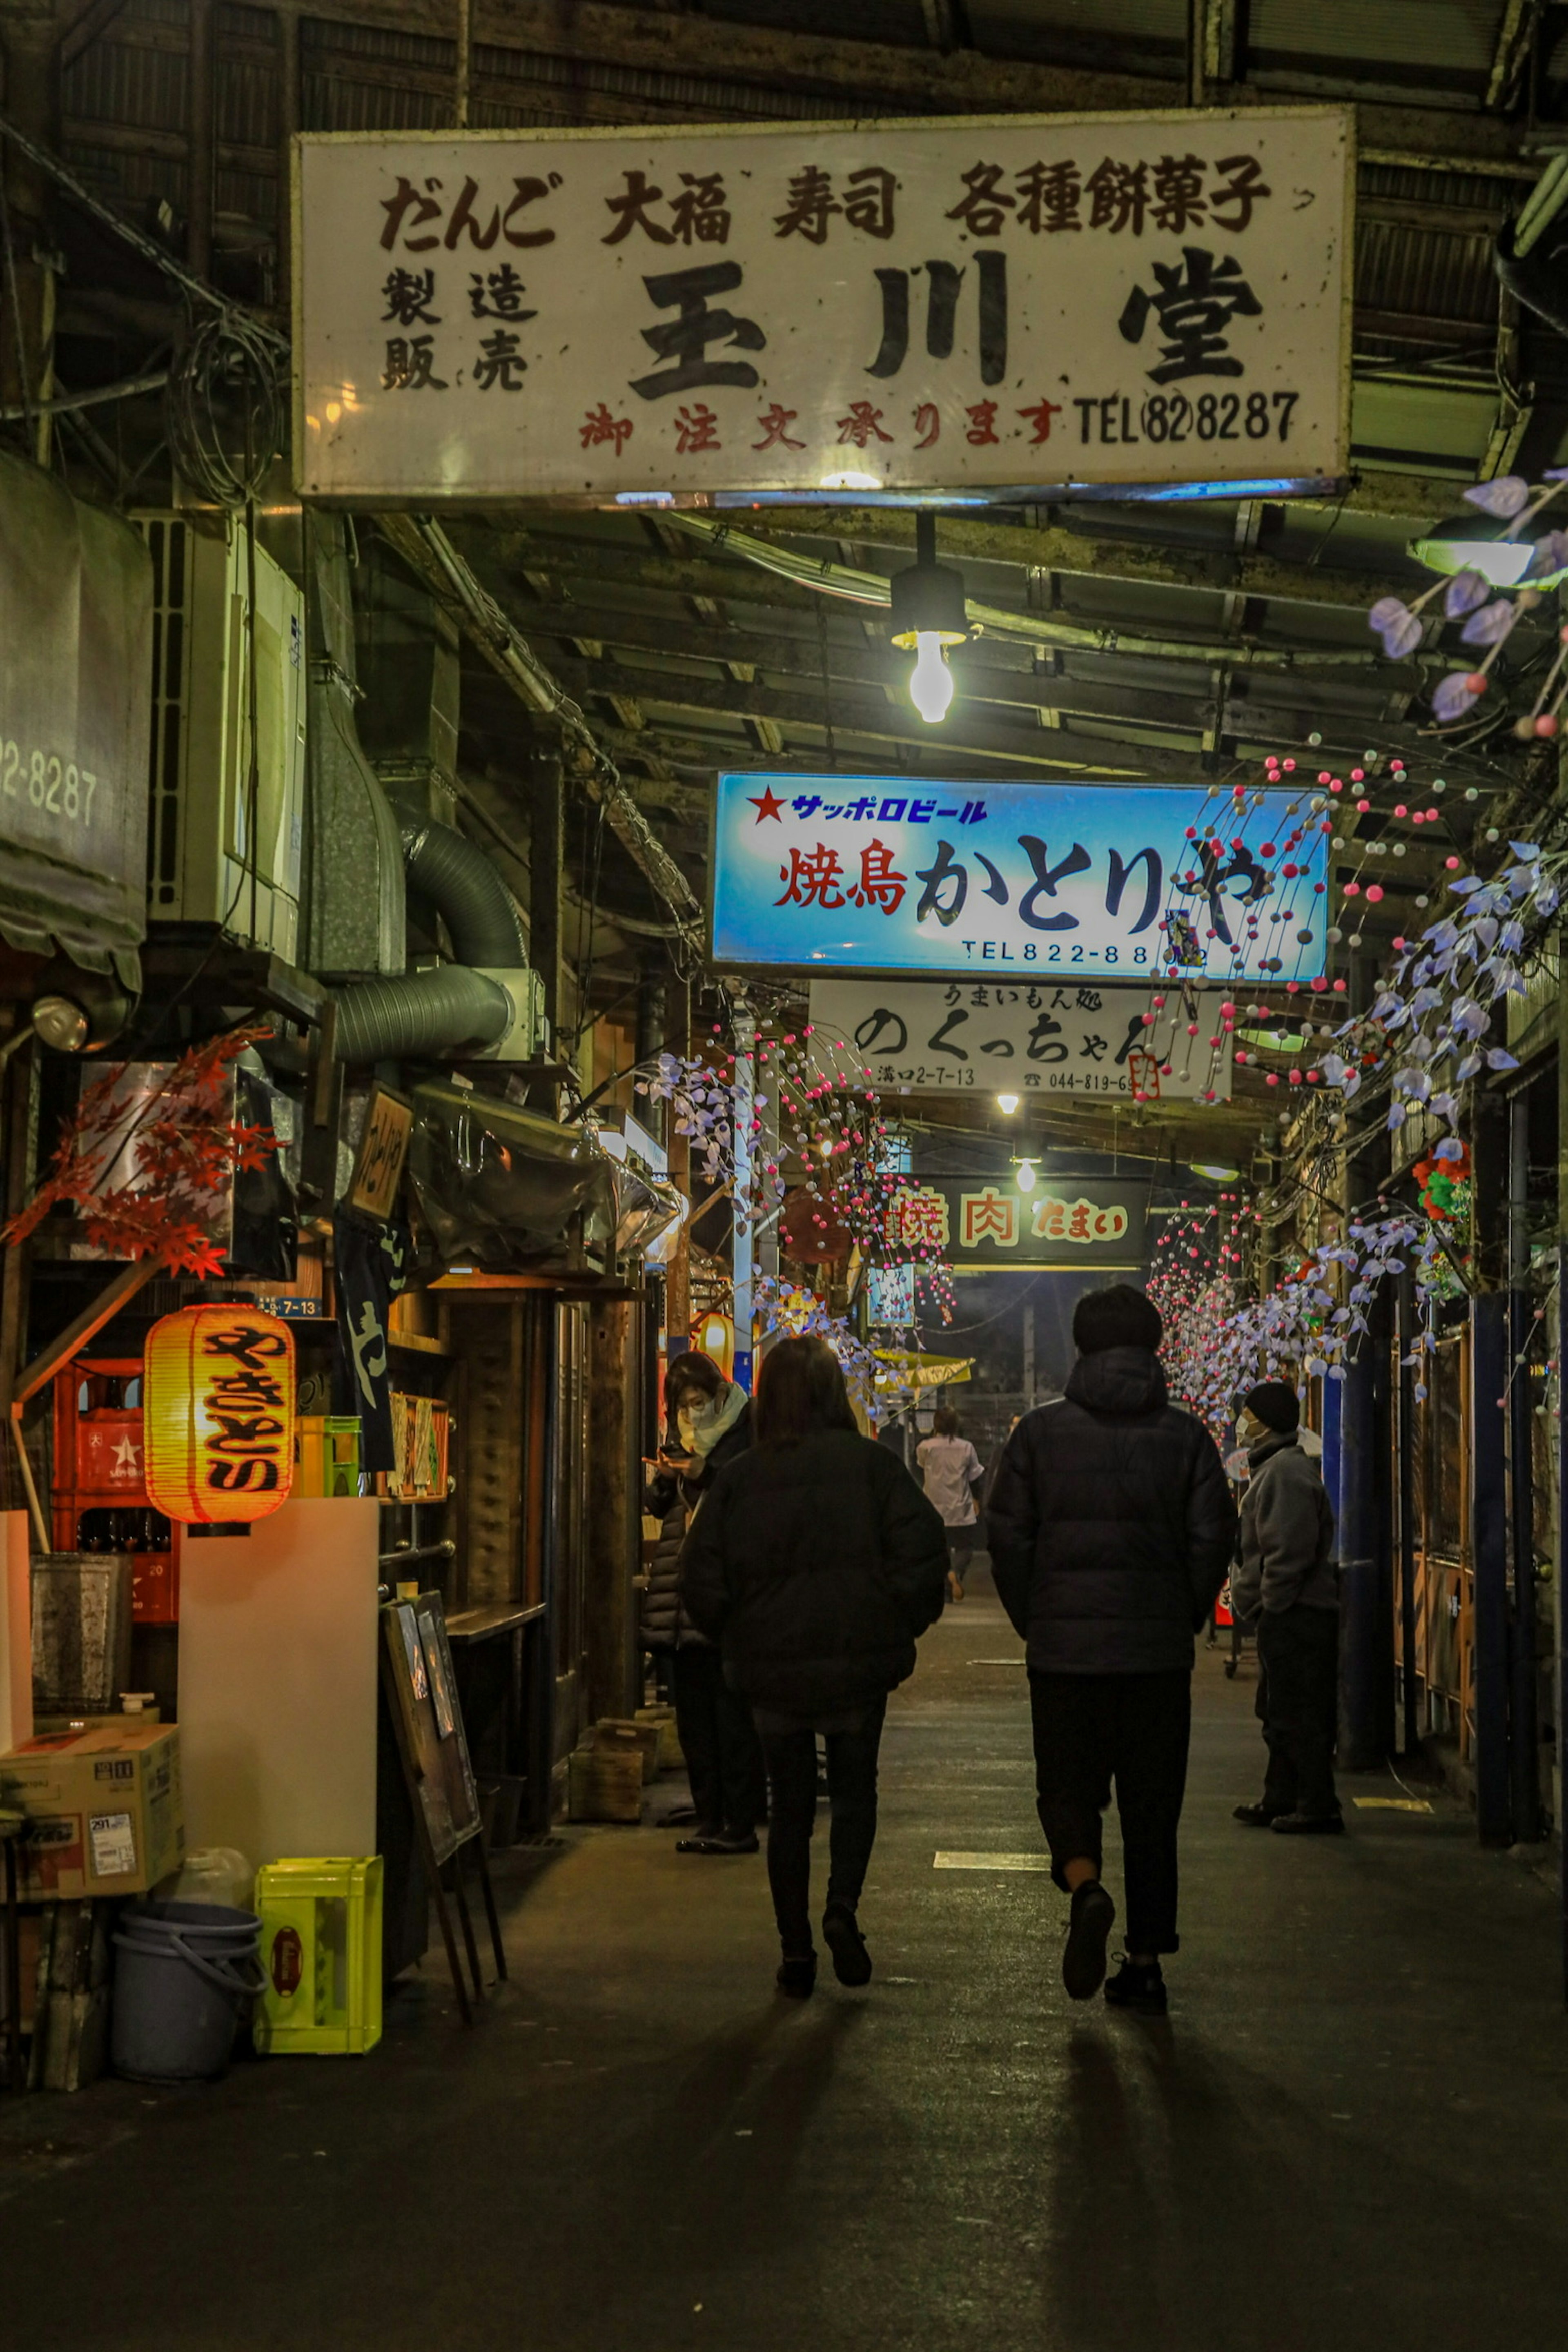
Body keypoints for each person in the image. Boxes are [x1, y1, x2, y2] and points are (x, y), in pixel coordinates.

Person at [987, 1283, 1236, 2017]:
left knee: (1067, 1789)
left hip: (1065, 1656)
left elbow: (1008, 1538)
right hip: (1157, 1658)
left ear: (1082, 1347)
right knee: (1153, 1811)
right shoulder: (1188, 1437)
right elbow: (1212, 1537)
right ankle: (1147, 1963)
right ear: (1155, 1347)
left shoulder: (1037, 1434)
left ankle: (1087, 1887)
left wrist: (1038, 1617)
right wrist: (1182, 1615)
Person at [679, 1335, 949, 1998]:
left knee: (790, 1806)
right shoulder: (875, 1468)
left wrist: (738, 1636)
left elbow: (701, 1574)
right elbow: (924, 1552)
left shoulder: (740, 1478)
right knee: (855, 1793)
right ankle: (842, 1909)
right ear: (835, 1396)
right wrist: (890, 1625)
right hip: (857, 1668)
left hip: (772, 1671)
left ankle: (795, 1950)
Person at [642, 1350, 766, 1856]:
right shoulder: (680, 1438)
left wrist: (703, 1472)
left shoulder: (748, 1430)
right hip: (679, 1599)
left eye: (698, 1402)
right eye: (682, 1406)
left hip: (726, 1600)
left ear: (719, 1394)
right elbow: (658, 1505)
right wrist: (666, 1477)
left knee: (731, 1716)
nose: (691, 1414)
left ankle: (740, 1818)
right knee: (694, 1719)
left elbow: (749, 1500)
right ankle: (710, 1813)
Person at [1229, 1381, 1342, 1835]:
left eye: (1249, 1414)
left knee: (1298, 1714)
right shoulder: (1275, 1469)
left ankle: (1317, 1804)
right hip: (1287, 1613)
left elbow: (1288, 1552)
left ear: (1266, 1421)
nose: (1243, 1422)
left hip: (1297, 1615)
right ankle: (1281, 1797)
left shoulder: (1285, 1473)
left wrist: (1271, 1605)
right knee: (1279, 1712)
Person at [916, 1404, 985, 1601]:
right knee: (966, 1547)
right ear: (956, 1425)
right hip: (960, 1507)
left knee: (941, 1551)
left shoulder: (925, 1448)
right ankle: (956, 1571)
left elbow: (920, 1471)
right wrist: (977, 1499)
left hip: (934, 1507)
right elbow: (975, 1478)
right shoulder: (966, 1448)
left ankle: (946, 1593)